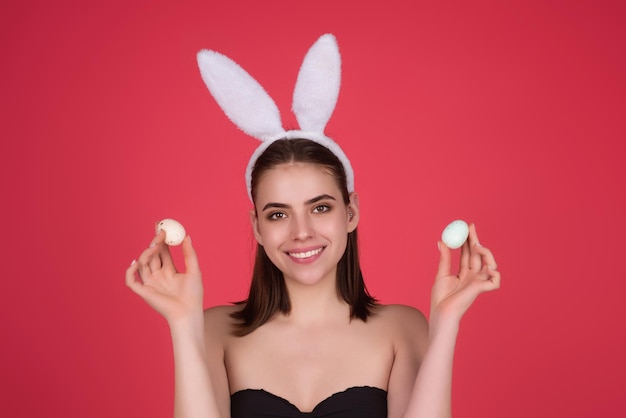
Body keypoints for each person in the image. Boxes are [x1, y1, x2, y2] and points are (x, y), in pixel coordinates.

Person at [125, 34, 500, 418]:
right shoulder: (214, 330)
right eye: (278, 214)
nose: (301, 231)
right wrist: (182, 324)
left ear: (350, 212)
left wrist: (447, 322)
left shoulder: (402, 328)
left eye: (320, 208)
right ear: (257, 226)